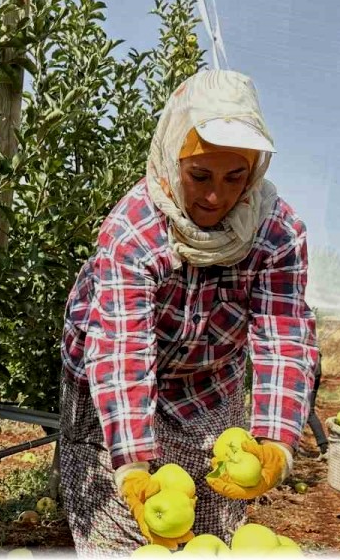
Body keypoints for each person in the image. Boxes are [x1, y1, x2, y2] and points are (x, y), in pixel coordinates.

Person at [58, 70, 318, 555]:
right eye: (199, 176)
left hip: (210, 380)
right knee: (125, 529)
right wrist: (133, 463)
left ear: (255, 171)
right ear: (171, 158)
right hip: (112, 386)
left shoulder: (277, 234)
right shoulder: (134, 231)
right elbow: (122, 349)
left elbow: (282, 338)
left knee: (215, 524)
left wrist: (278, 443)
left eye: (235, 176)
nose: (216, 197)